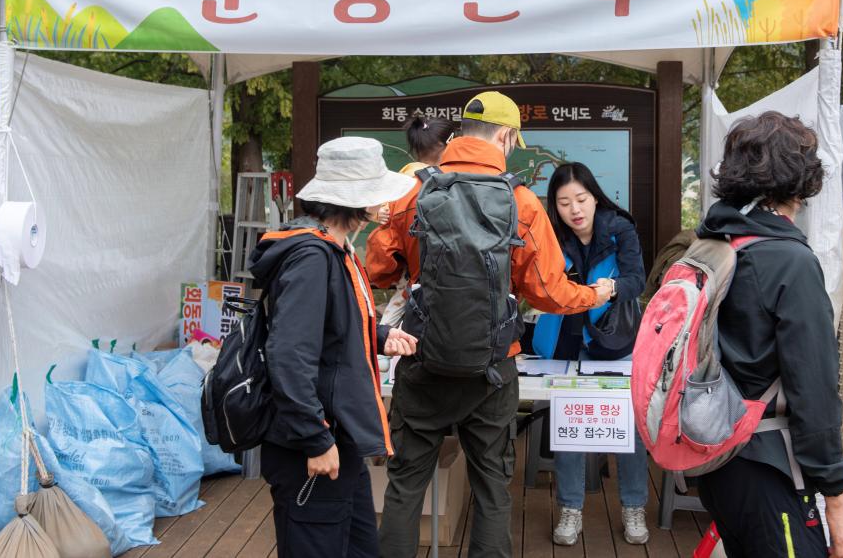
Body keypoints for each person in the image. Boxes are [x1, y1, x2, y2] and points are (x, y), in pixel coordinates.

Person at [368, 91, 613, 558]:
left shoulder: (414, 192)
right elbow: (548, 291)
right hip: (493, 369)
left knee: (404, 488)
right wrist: (594, 295)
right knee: (492, 491)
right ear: (505, 135)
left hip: (422, 360)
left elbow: (378, 271)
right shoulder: (520, 200)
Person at [695, 111, 843, 558]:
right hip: (772, 465)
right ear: (798, 181)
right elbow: (814, 392)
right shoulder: (790, 262)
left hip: (715, 455)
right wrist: (837, 500)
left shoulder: (711, 244)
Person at [248, 136, 421, 558]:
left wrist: (379, 336)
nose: (384, 207)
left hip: (336, 439)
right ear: (356, 201)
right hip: (314, 442)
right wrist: (314, 439)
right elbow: (289, 354)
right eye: (376, 196)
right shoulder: (313, 256)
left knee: (359, 548)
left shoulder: (330, 247)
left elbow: (326, 329)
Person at [534, 162, 650, 546]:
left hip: (615, 343)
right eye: (564, 202)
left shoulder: (620, 228)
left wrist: (612, 288)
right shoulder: (551, 234)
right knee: (570, 428)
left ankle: (633, 507)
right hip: (568, 344)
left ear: (595, 197)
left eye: (581, 199)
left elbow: (638, 279)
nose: (574, 210)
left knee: (629, 428)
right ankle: (570, 509)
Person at [377, 114, 455, 326]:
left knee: (391, 325)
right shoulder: (458, 181)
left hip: (414, 277)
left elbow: (383, 248)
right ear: (445, 145)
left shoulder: (405, 180)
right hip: (451, 283)